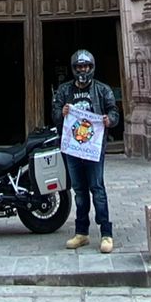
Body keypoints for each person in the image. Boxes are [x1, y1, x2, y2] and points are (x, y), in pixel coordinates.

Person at [52, 49, 118, 253]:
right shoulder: (64, 91)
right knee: (79, 191)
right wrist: (61, 113)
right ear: (74, 68)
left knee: (97, 188)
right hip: (73, 149)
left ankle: (106, 233)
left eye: (86, 66)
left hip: (94, 149)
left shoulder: (102, 90)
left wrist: (110, 120)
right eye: (80, 67)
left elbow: (113, 111)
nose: (83, 70)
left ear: (92, 67)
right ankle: (82, 233)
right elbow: (54, 116)